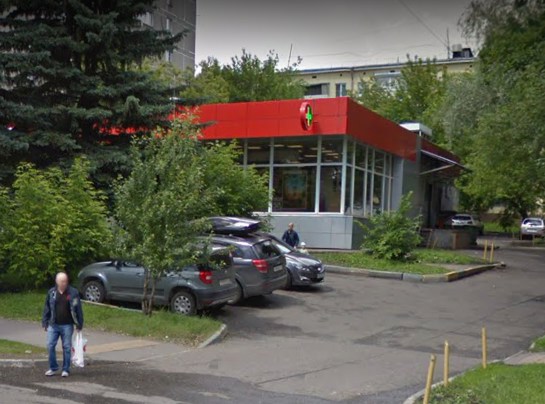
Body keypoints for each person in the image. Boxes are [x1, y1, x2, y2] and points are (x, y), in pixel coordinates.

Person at [42, 272, 84, 377]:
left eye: (65, 281)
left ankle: (66, 369)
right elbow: (47, 307)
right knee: (50, 345)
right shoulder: (52, 292)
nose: (64, 283)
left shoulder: (73, 293)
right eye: (61, 281)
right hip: (53, 324)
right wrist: (45, 322)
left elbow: (77, 308)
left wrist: (79, 324)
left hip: (67, 325)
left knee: (66, 347)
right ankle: (53, 367)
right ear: (57, 281)